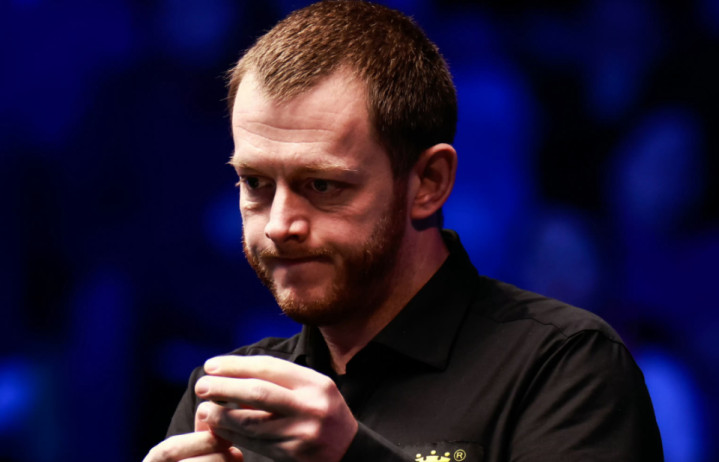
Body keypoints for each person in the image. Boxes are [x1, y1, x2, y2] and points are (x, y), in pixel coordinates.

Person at [144, 1, 663, 461]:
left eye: (322, 185)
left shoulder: (566, 365)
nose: (279, 225)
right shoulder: (226, 389)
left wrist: (350, 456)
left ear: (428, 183)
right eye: (256, 183)